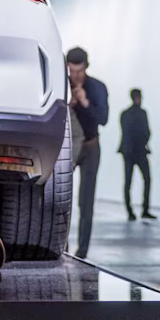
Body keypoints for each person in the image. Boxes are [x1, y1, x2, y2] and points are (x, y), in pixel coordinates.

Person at [67, 47, 109, 258]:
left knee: (87, 200)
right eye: (72, 71)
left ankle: (83, 250)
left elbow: (103, 118)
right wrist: (69, 104)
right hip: (68, 147)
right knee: (61, 197)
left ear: (86, 67)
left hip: (91, 147)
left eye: (79, 71)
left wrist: (84, 102)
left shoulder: (96, 87)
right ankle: (61, 246)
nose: (75, 76)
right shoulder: (62, 85)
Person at [119, 88, 154, 221]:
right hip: (137, 151)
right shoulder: (140, 113)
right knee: (143, 180)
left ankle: (132, 211)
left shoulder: (125, 114)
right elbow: (145, 132)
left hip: (130, 151)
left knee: (129, 182)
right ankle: (142, 210)